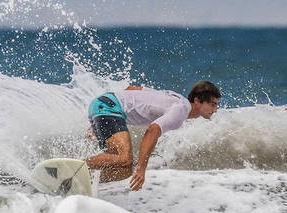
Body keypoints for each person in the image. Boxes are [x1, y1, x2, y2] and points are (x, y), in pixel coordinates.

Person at [86, 81, 220, 191]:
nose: (215, 110)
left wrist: (98, 121)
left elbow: (132, 89)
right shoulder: (181, 110)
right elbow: (153, 130)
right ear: (197, 100)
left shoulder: (176, 99)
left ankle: (85, 178)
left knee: (125, 169)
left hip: (105, 105)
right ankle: (79, 165)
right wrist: (142, 168)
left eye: (217, 105)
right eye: (212, 104)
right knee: (125, 158)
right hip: (109, 107)